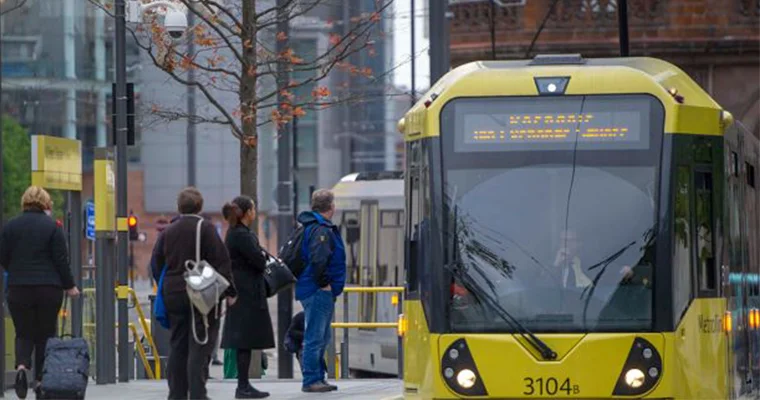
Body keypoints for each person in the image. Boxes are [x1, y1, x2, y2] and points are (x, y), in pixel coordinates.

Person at [152, 187, 237, 400]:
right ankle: (198, 393)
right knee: (201, 343)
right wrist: (230, 292)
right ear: (199, 206)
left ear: (179, 207)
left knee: (178, 343)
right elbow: (222, 261)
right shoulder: (205, 228)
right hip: (199, 293)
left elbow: (156, 263)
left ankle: (176, 394)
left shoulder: (168, 231)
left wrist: (166, 283)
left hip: (173, 292)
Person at [0, 186, 80, 399]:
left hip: (19, 288)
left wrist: (16, 271)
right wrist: (69, 286)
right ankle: (42, 381)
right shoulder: (53, 227)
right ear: (46, 203)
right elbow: (61, 261)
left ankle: (20, 368)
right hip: (48, 288)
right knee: (46, 334)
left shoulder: (10, 227)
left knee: (23, 332)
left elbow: (4, 257)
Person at [220, 196, 273, 399]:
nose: (255, 212)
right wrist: (262, 256)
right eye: (253, 208)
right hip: (246, 292)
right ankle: (243, 387)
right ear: (247, 212)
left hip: (242, 290)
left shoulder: (235, 233)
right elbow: (259, 261)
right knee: (244, 340)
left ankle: (244, 385)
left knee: (245, 340)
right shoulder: (241, 235)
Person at [295, 189, 346, 393]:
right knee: (315, 336)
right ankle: (311, 380)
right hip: (318, 290)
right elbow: (319, 259)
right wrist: (325, 283)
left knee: (321, 336)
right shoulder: (321, 229)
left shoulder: (311, 226)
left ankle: (317, 377)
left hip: (313, 288)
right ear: (331, 207)